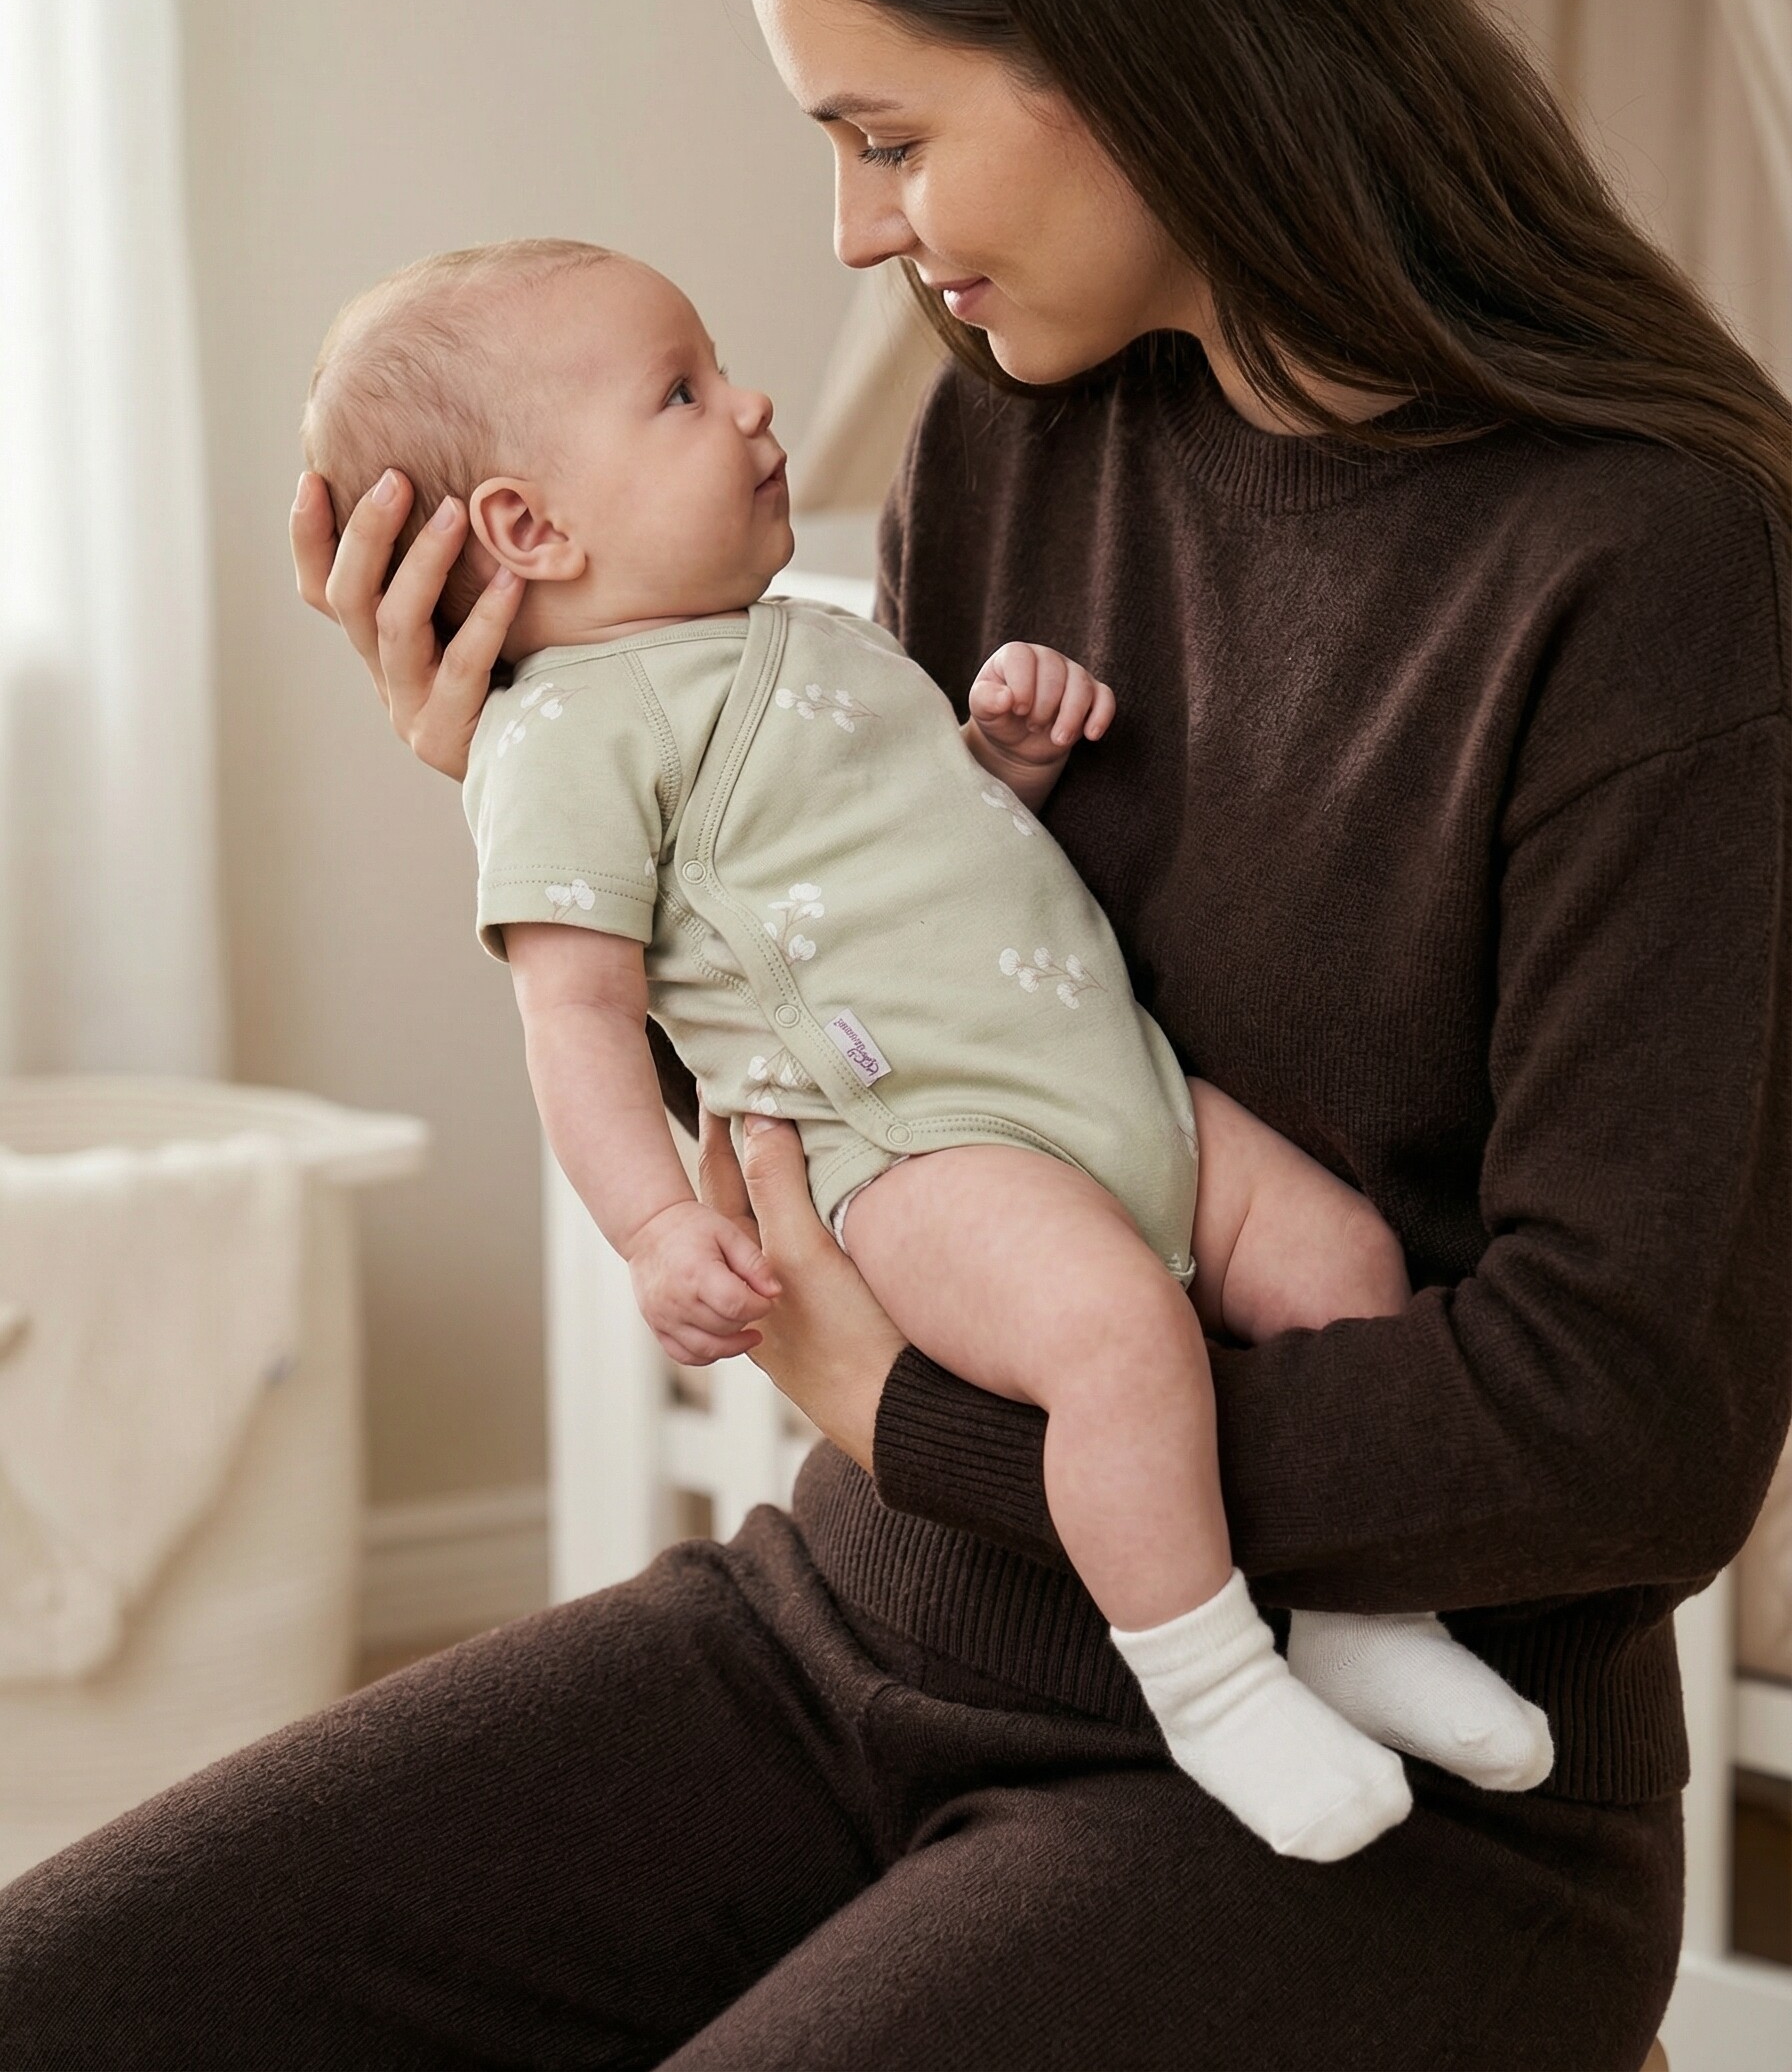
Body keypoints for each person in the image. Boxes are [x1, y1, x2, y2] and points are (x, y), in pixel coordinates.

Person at [2, 0, 1787, 2061]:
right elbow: (870, 1022)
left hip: (1384, 1779)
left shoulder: (1651, 572)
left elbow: (1618, 1424)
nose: (850, 238)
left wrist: (909, 1420)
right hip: (856, 1624)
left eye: (882, 135)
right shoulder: (1006, 447)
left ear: (1145, 44)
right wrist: (563, 812)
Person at [301, 234, 1552, 1866]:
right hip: (914, 1140)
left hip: (1110, 1079)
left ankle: (1362, 1619)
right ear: (532, 527)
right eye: (680, 393)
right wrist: (658, 1227)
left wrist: (1000, 756)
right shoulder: (562, 736)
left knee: (1339, 1250)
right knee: (1117, 1343)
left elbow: (901, 859)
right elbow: (582, 1016)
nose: (751, 405)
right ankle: (1215, 1684)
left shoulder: (806, 637)